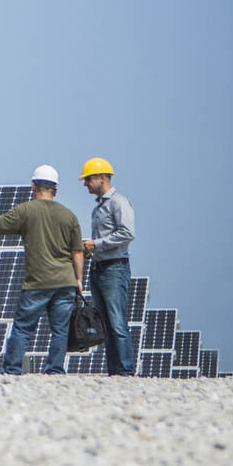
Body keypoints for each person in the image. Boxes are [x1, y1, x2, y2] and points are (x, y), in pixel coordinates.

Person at [0, 165, 83, 374]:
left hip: (37, 282)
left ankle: (12, 370)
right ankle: (55, 370)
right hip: (65, 281)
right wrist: (79, 279)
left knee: (22, 328)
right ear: (55, 190)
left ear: (33, 187)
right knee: (60, 330)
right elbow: (77, 252)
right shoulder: (69, 216)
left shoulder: (25, 210)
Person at [80, 157, 136, 376]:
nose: (85, 184)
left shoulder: (118, 203)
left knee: (117, 323)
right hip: (99, 269)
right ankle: (114, 370)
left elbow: (128, 233)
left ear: (101, 178)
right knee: (106, 325)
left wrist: (97, 244)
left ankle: (125, 371)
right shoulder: (97, 210)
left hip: (114, 269)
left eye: (88, 179)